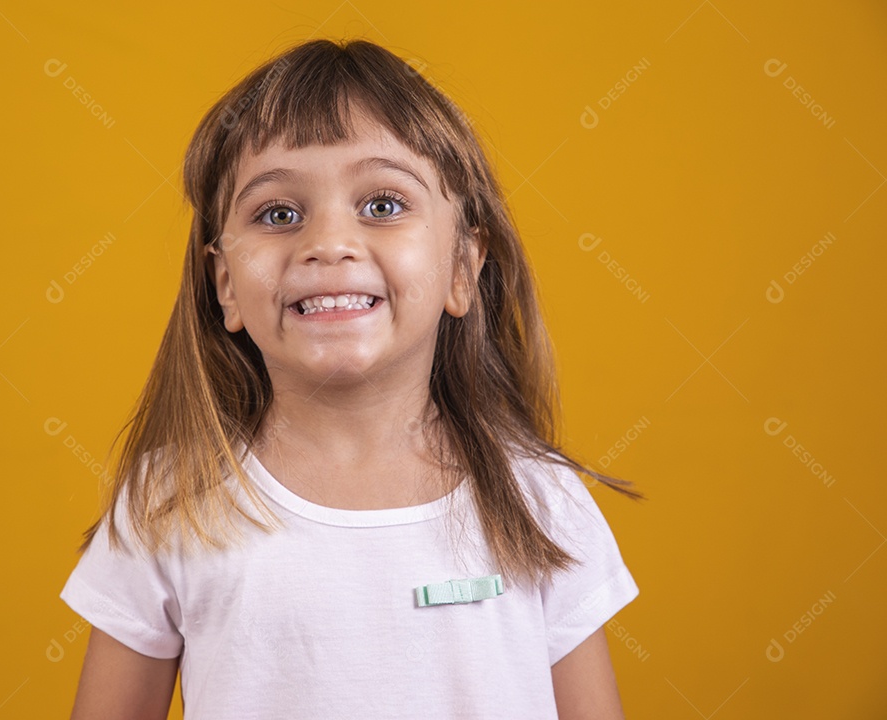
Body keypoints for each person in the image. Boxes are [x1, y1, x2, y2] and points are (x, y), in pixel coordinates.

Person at [59, 37, 645, 720]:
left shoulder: (542, 503)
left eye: (383, 205)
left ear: (462, 266)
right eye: (279, 214)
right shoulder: (168, 504)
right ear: (225, 284)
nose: (328, 243)